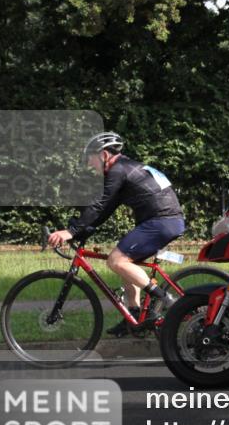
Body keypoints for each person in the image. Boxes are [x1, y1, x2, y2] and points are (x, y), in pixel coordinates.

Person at [48, 132, 186, 336]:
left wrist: (71, 231)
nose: (89, 164)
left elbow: (99, 204)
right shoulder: (126, 168)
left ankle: (166, 300)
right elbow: (105, 209)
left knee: (116, 260)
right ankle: (134, 316)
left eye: (90, 158)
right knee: (125, 265)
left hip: (161, 221)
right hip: (164, 221)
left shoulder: (118, 170)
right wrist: (81, 232)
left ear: (104, 155)